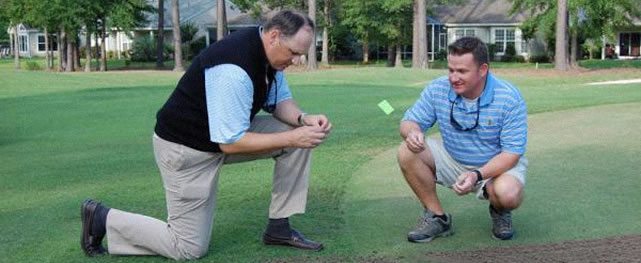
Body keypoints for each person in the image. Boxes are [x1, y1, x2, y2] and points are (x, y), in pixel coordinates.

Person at [80, 10, 332, 260]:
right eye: (294, 53)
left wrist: (302, 119)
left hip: (220, 137)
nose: (297, 61)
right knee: (188, 248)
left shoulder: (271, 56)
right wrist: (291, 138)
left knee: (301, 136)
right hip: (186, 150)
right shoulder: (233, 69)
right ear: (274, 35)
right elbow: (231, 142)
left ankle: (279, 228)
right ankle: (102, 217)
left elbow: (278, 101)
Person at [397, 37, 528, 243]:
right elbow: (408, 121)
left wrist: (477, 175)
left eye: (462, 71)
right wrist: (412, 132)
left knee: (508, 194)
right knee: (406, 150)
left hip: (494, 167)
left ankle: (500, 210)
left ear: (482, 69)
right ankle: (437, 218)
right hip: (453, 159)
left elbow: (511, 154)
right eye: (451, 70)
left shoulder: (509, 97)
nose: (453, 77)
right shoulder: (438, 88)